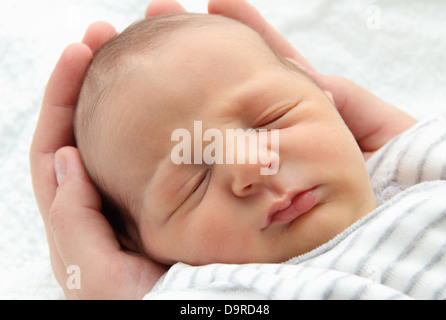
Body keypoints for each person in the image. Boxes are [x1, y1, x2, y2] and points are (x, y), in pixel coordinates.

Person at [30, 0, 424, 299]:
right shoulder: (215, 292)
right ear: (138, 245)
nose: (254, 165)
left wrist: (421, 149)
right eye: (195, 180)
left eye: (272, 119)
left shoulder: (410, 168)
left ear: (328, 99)